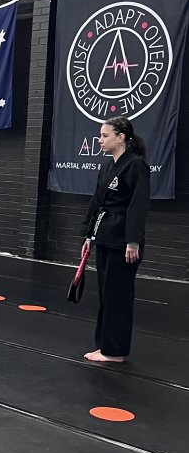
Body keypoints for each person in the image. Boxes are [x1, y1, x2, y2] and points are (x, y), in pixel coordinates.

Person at [81, 116, 150, 363]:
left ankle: (115, 350)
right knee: (106, 293)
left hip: (123, 239)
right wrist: (89, 235)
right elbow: (96, 202)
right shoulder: (107, 166)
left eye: (105, 135)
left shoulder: (136, 166)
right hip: (105, 234)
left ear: (121, 137)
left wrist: (133, 240)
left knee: (118, 295)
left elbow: (138, 205)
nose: (100, 140)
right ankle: (105, 345)